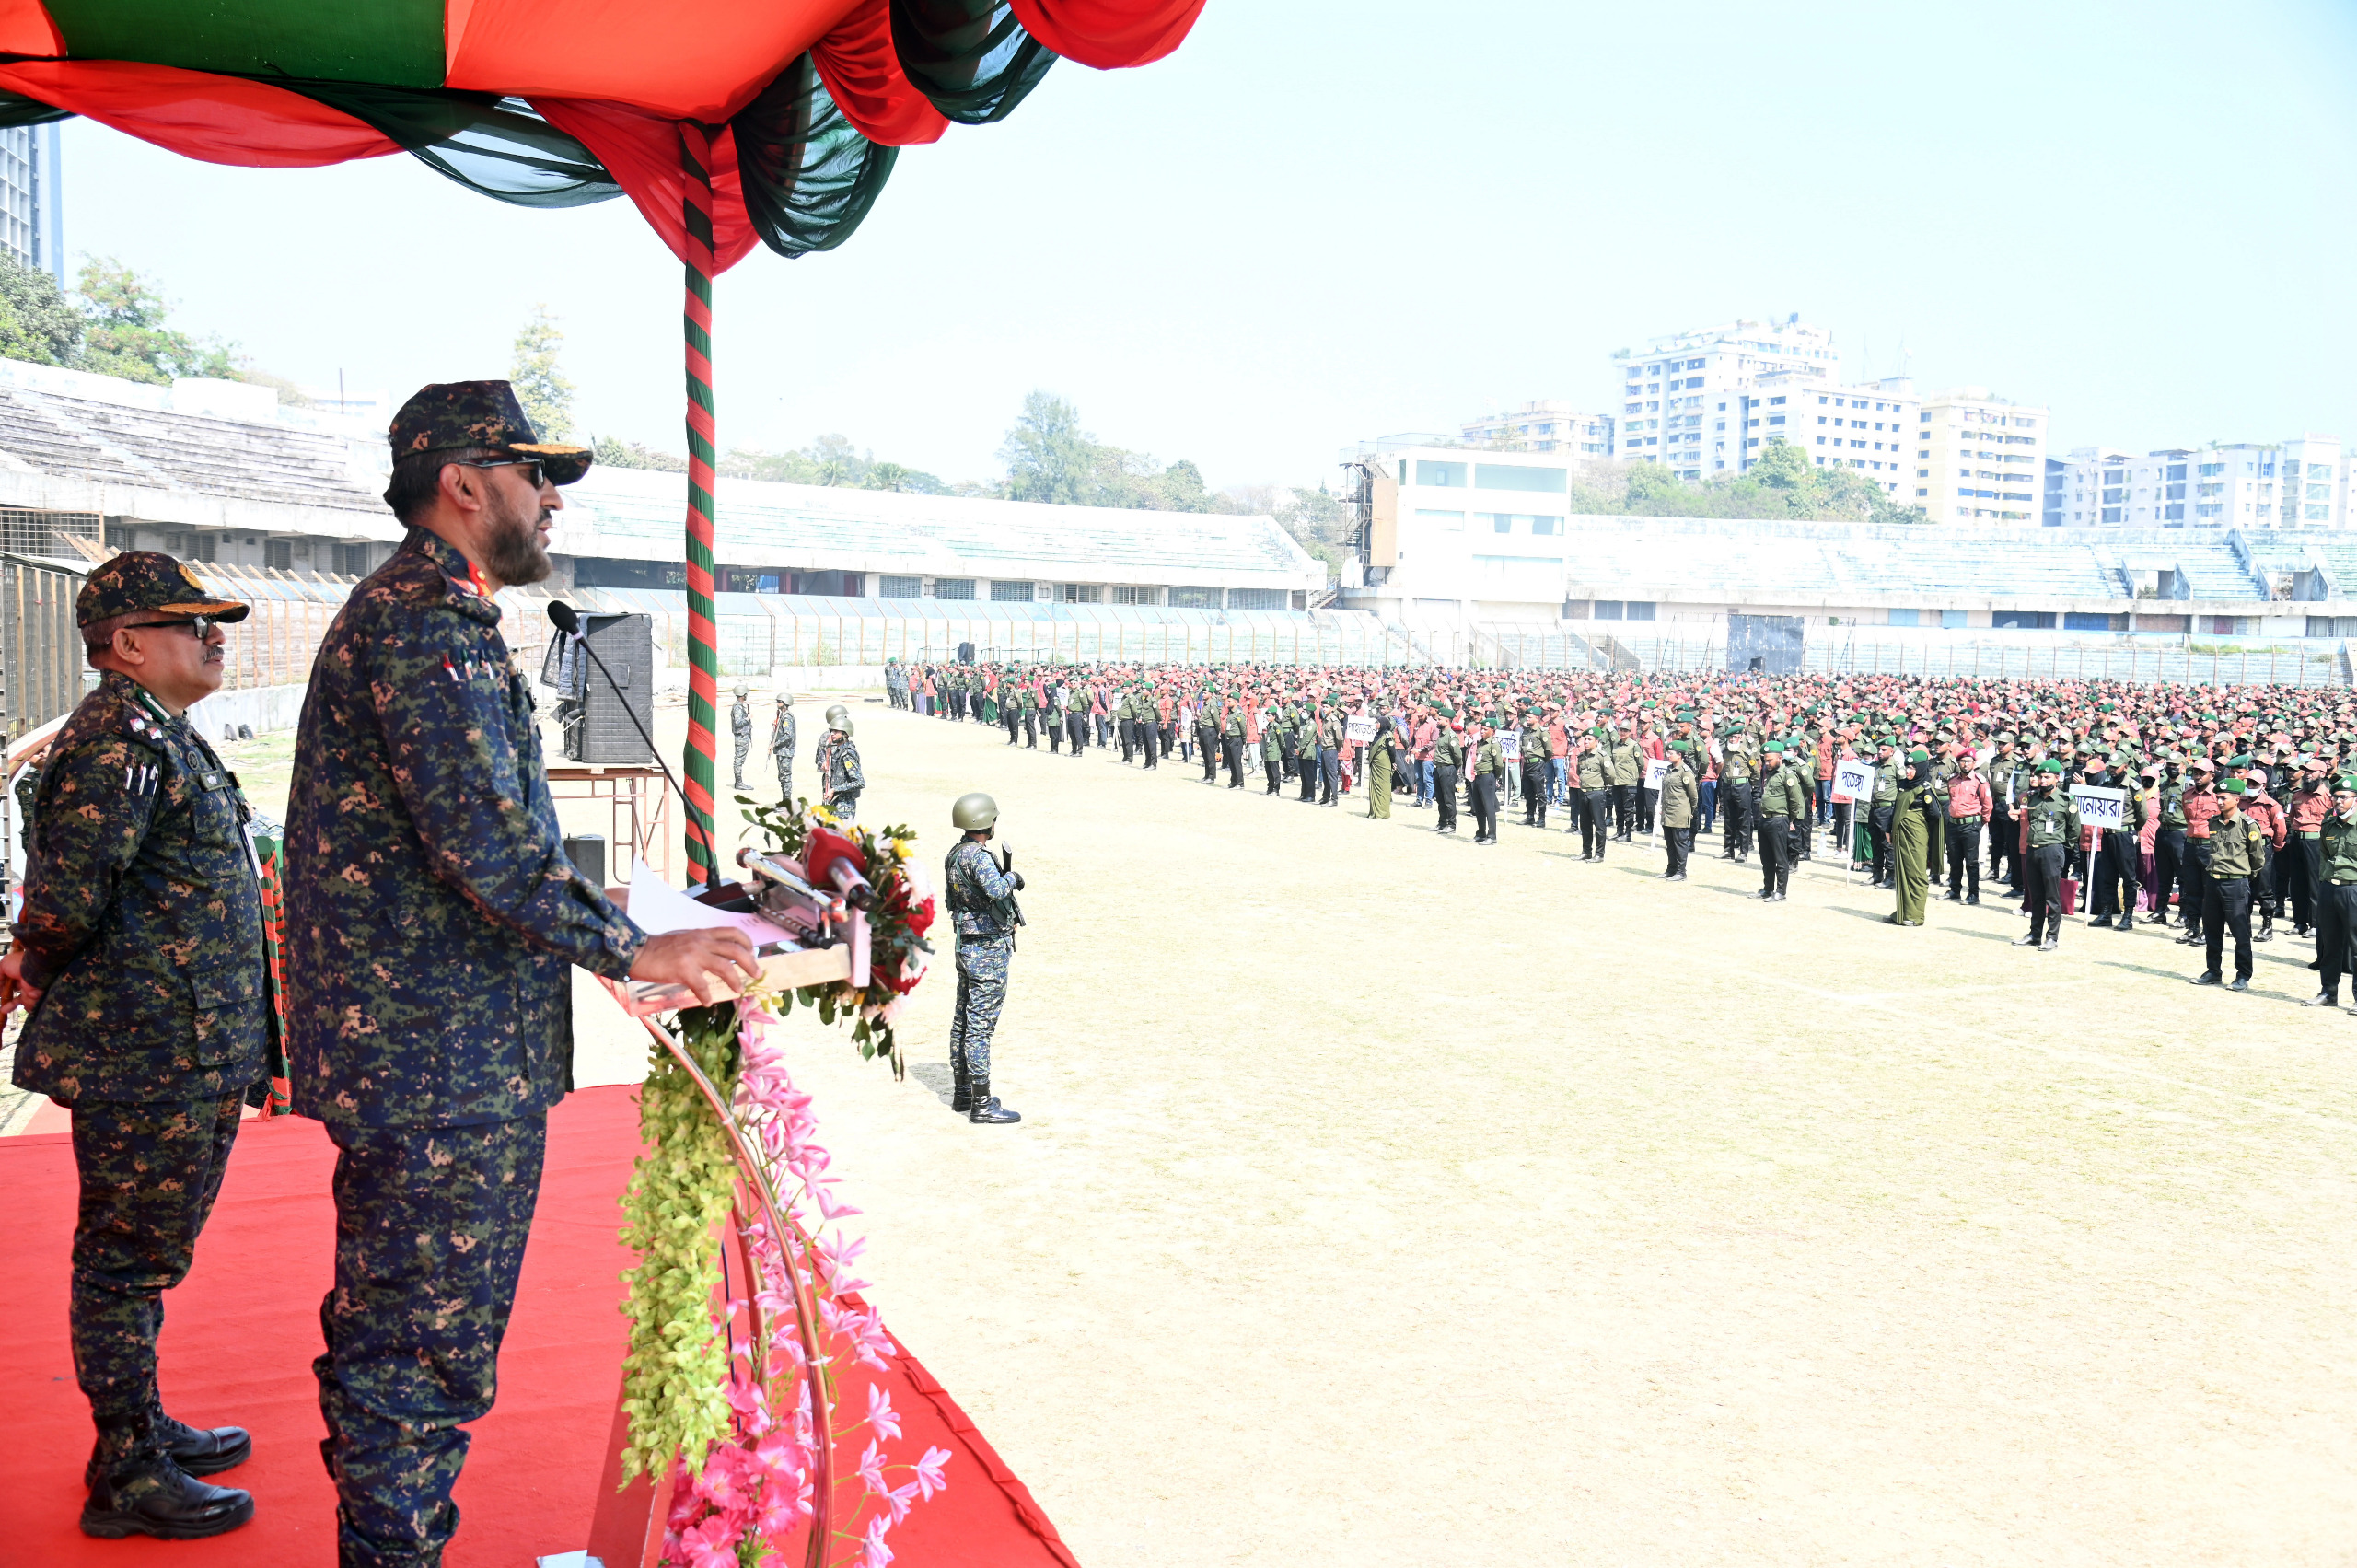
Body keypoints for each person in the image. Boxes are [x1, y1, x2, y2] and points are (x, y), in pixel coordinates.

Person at [283, 381, 758, 1568]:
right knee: (420, 1348)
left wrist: (612, 912)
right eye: (534, 475)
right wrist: (629, 946)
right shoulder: (419, 626)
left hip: (439, 1047)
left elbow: (482, 845)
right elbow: (484, 841)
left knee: (404, 1337)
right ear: (464, 482)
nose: (550, 501)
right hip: (438, 1065)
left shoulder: (434, 615)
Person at [0, 553, 266, 1540]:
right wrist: (27, 957)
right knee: (122, 1259)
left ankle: (143, 1424)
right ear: (127, 642)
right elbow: (67, 894)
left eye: (217, 621)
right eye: (192, 621)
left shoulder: (156, 730)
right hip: (143, 1052)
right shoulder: (117, 735)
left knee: (147, 1253)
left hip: (181, 1046)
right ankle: (125, 1465)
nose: (215, 636)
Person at [945, 792, 1023, 1124]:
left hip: (966, 944)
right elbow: (994, 890)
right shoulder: (978, 857)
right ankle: (982, 1103)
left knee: (964, 1017)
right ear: (984, 822)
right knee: (980, 1026)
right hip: (987, 947)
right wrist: (1013, 878)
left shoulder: (955, 854)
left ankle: (963, 1092)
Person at [2190, 778, 2266, 991]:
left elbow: (2258, 859)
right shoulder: (2214, 823)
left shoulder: (2248, 825)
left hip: (2235, 884)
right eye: (2218, 797)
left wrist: (2242, 877)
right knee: (2212, 929)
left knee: (2240, 932)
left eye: (2224, 798)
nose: (2220, 801)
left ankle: (2243, 975)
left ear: (2237, 799)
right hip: (2213, 882)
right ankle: (2213, 971)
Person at [2012, 761, 2078, 952]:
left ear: (2057, 778)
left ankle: (2052, 937)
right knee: (2036, 895)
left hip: (2052, 850)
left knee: (2052, 896)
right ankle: (2034, 934)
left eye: (2047, 777)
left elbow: (2074, 829)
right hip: (2032, 848)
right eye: (2040, 777)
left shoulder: (2066, 800)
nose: (2042, 780)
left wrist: (2061, 847)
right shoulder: (2032, 798)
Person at [2306, 777, 2357, 1012]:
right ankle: (2328, 992)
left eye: (2343, 797)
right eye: (2335, 797)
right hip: (2329, 887)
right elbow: (2325, 856)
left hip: (2353, 888)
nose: (2337, 801)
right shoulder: (2329, 823)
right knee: (2329, 943)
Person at [1887, 748, 1933, 927]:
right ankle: (1902, 912)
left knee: (1916, 874)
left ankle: (1916, 915)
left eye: (1913, 767)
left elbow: (1935, 816)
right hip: (1901, 833)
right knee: (1903, 872)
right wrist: (1888, 828)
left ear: (1921, 769)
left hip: (1916, 836)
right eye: (1907, 767)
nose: (1908, 771)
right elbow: (1895, 809)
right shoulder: (1904, 785)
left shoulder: (1925, 789)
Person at [1944, 749, 1992, 904]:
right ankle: (1954, 890)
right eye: (1963, 761)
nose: (1965, 764)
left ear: (1974, 763)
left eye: (1969, 761)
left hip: (1971, 825)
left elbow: (1987, 804)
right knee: (1954, 859)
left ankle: (1973, 894)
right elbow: (1951, 799)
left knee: (1971, 861)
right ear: (1958, 763)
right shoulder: (1952, 780)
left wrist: (1981, 822)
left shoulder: (1980, 781)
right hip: (1953, 824)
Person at [1756, 739, 1796, 901]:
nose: (1767, 763)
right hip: (1765, 820)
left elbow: (1796, 801)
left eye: (1770, 760)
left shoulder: (1788, 775)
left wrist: (1791, 820)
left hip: (1779, 820)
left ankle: (1781, 891)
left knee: (1780, 858)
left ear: (1780, 758)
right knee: (1766, 859)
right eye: (1765, 760)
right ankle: (1767, 889)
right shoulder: (1768, 774)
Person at [1659, 742, 1699, 880]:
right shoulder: (1669, 769)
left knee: (1680, 844)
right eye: (1668, 753)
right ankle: (1671, 869)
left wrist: (1689, 811)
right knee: (1670, 844)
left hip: (1680, 813)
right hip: (1668, 812)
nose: (1668, 756)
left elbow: (1693, 796)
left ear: (1680, 755)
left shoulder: (1685, 771)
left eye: (1671, 753)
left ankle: (1681, 872)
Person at [822, 710, 865, 821]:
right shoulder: (837, 750)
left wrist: (835, 789)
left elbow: (859, 782)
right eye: (832, 730)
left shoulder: (848, 753)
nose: (832, 734)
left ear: (845, 733)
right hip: (834, 803)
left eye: (836, 731)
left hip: (844, 807)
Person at [1469, 721, 1504, 845]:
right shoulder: (1481, 743)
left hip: (1487, 776)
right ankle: (1481, 833)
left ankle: (1492, 835)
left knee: (1489, 806)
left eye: (1485, 729)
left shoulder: (1493, 744)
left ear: (1492, 731)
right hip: (1478, 776)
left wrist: (1495, 776)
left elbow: (1499, 764)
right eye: (1482, 729)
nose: (1482, 731)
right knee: (1478, 806)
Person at [1433, 718, 1464, 836]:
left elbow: (1457, 755)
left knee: (1448, 798)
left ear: (1446, 720)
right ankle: (1442, 823)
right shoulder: (1441, 734)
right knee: (1440, 798)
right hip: (1438, 768)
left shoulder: (1451, 736)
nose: (1437, 721)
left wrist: (1455, 767)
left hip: (1448, 768)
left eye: (1440, 719)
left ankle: (1451, 824)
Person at [770, 692, 796, 804]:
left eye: (780, 702)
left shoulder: (787, 718)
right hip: (782, 751)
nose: (778, 703)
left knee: (785, 778)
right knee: (782, 778)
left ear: (785, 703)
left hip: (785, 751)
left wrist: (774, 744)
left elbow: (788, 736)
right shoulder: (782, 716)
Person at [730, 683, 753, 790]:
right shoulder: (737, 708)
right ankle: (739, 783)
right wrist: (748, 718)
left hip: (742, 737)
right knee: (738, 760)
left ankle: (739, 782)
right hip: (741, 737)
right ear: (743, 695)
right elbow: (738, 723)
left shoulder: (739, 706)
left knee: (739, 760)